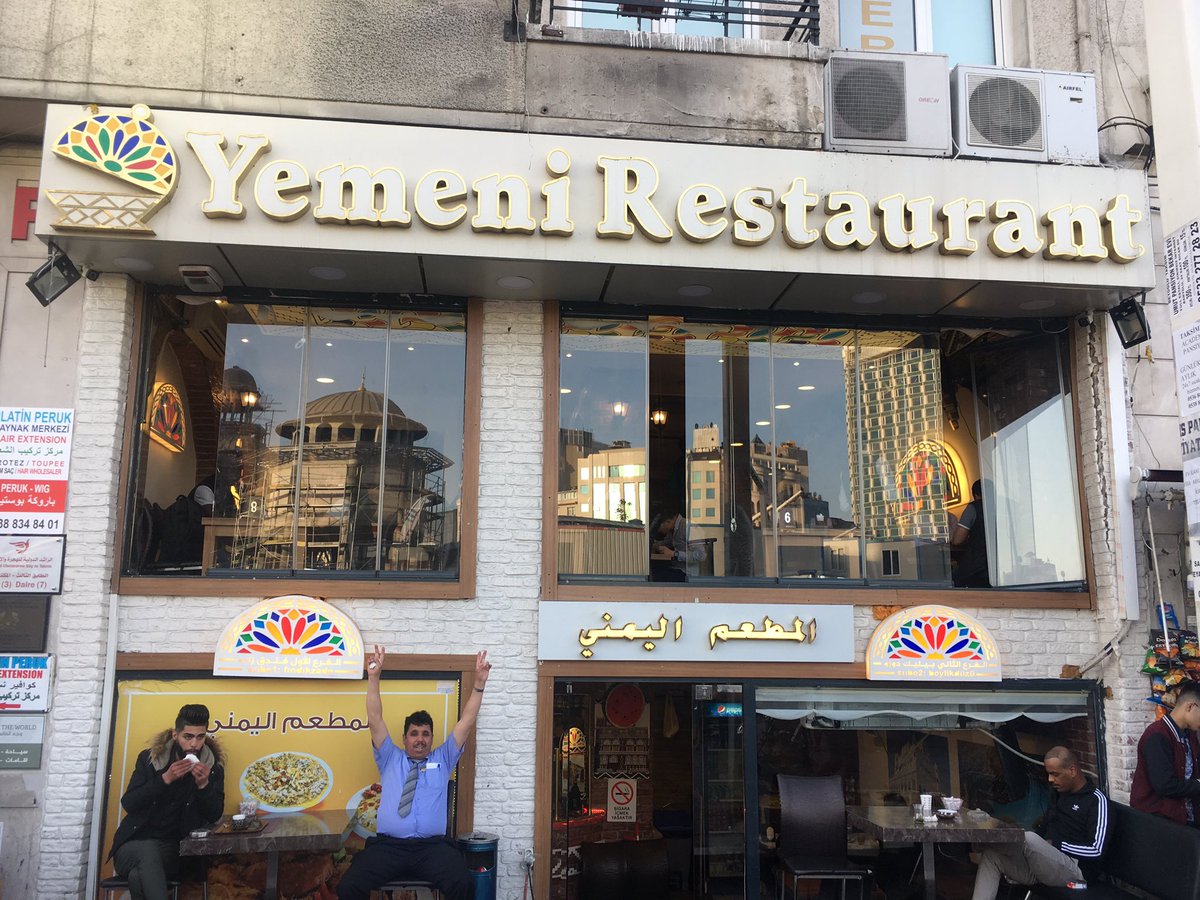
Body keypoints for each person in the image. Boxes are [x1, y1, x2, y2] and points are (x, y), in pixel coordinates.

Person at [337, 645, 492, 900]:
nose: (420, 739)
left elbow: (466, 721)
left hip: (432, 849)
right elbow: (374, 719)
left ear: (431, 738)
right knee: (349, 886)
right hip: (390, 847)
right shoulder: (390, 757)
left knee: (463, 883)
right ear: (404, 738)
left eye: (425, 734)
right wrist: (373, 677)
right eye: (414, 733)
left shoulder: (443, 758)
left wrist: (478, 685)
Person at [108, 704, 225, 900]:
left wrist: (204, 786)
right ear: (175, 735)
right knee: (147, 851)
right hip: (132, 845)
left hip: (172, 850)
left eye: (200, 737)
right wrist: (164, 779)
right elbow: (129, 802)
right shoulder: (150, 760)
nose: (194, 744)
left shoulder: (211, 767)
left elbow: (215, 815)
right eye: (188, 737)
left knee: (138, 877)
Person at [970, 746, 1109, 899]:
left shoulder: (1096, 801)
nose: (1050, 779)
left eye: (1055, 774)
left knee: (1028, 837)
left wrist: (1056, 844)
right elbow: (1044, 829)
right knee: (991, 855)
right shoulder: (1059, 794)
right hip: (1044, 865)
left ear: (1072, 770)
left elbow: (1096, 850)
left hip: (1076, 872)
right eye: (1048, 774)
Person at [1131, 680, 1200, 825]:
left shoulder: (1191, 734)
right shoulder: (1157, 735)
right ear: (1190, 706)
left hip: (1186, 816)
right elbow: (1165, 785)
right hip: (1159, 821)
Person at [649, 507, 706, 582]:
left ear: (668, 521)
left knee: (655, 576)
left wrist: (674, 554)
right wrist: (654, 545)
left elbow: (700, 555)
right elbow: (667, 542)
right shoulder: (673, 529)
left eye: (660, 526)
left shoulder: (689, 527)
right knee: (654, 569)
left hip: (687, 573)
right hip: (675, 568)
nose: (660, 530)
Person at [951, 479, 990, 588]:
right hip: (1004, 566)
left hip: (978, 567)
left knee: (953, 578)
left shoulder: (974, 508)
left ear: (975, 495)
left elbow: (957, 540)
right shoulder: (1003, 507)